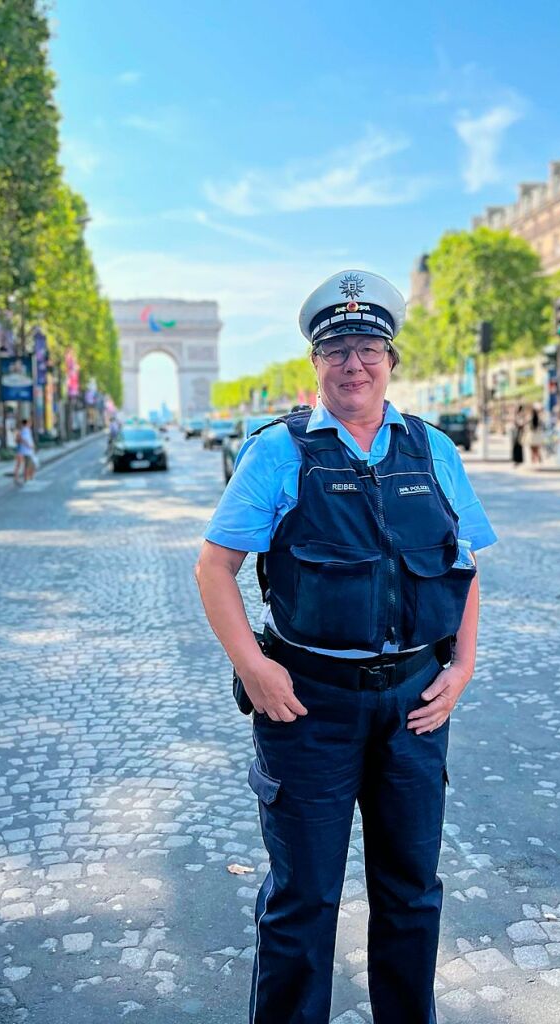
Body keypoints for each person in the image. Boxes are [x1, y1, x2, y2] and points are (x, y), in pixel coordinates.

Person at [195, 270, 497, 1024]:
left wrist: (461, 670)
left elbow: (464, 568)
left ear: (391, 358)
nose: (353, 364)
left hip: (413, 708)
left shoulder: (434, 450)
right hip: (309, 707)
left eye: (367, 348)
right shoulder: (277, 452)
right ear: (315, 363)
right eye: (337, 351)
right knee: (304, 899)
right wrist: (254, 668)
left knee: (412, 891)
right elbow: (214, 567)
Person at [16, 418, 36, 485]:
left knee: (31, 465)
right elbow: (23, 439)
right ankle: (26, 478)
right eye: (29, 423)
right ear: (27, 423)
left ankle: (29, 478)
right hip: (26, 451)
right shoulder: (25, 430)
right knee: (28, 465)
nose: (31, 424)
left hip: (28, 451)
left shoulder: (27, 430)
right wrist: (29, 445)